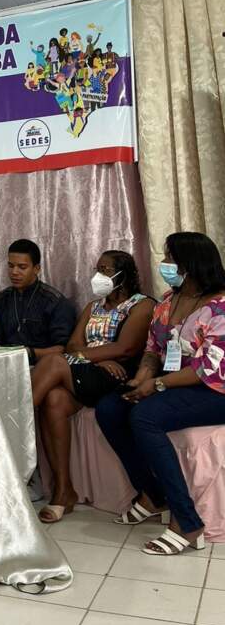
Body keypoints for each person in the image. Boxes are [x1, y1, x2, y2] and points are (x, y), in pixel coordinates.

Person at [95, 232, 225, 555]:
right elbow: (154, 349)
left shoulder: (220, 306)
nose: (164, 264)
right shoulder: (168, 301)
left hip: (214, 390)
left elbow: (206, 369)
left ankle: (187, 522)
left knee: (145, 416)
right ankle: (153, 495)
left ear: (190, 265)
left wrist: (156, 386)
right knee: (111, 408)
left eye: (170, 258)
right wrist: (142, 378)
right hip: (174, 383)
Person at [31, 251, 154, 523]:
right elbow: (73, 345)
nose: (99, 276)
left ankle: (11, 424)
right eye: (97, 269)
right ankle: (63, 490)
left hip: (119, 375)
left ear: (123, 275)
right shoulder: (93, 307)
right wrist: (99, 358)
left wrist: (94, 356)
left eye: (105, 270)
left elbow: (126, 348)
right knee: (54, 399)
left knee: (53, 361)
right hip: (91, 370)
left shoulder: (141, 305)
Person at [0, 239, 76, 362]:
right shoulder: (0, 300)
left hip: (42, 366)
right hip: (4, 363)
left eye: (22, 267)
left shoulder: (54, 301)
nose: (14, 272)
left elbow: (62, 349)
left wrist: (29, 353)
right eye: (11, 266)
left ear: (36, 268)